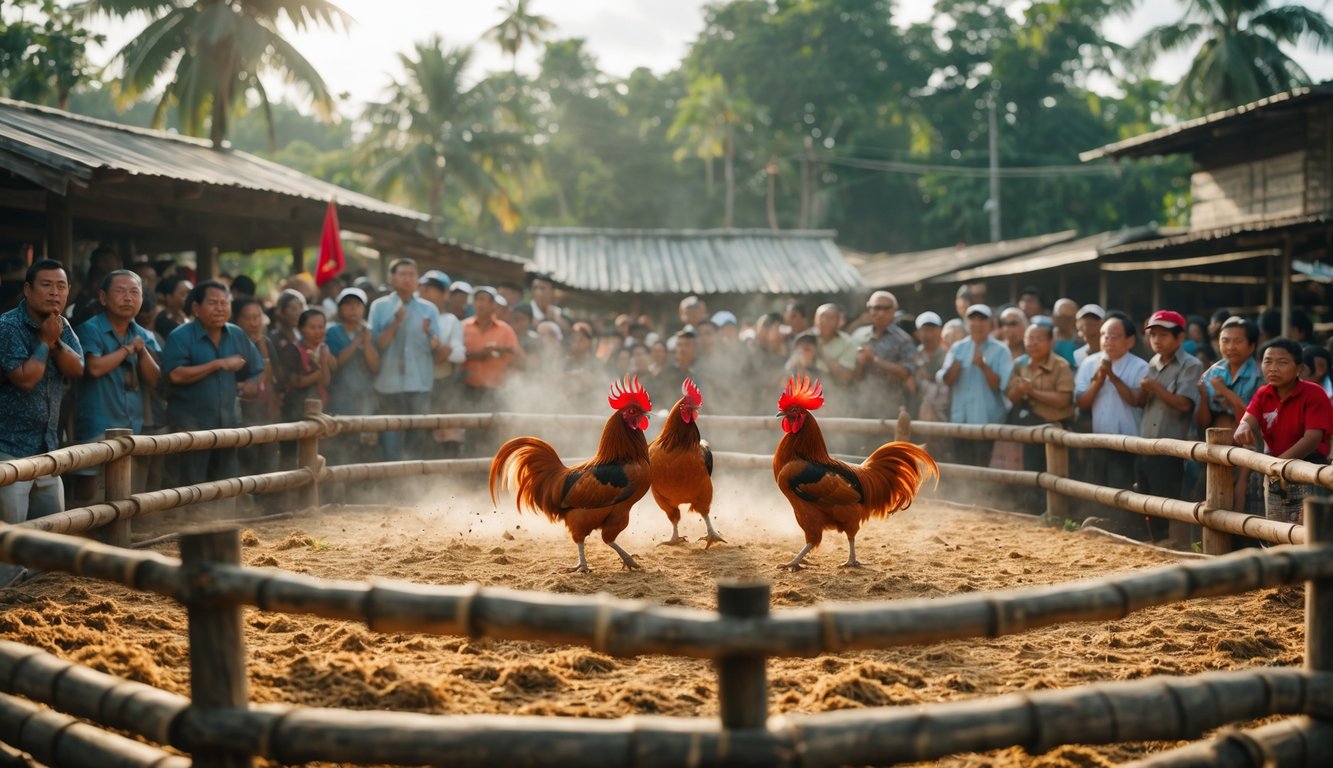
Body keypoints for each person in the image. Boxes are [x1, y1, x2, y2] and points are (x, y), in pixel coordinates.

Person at [0, 260, 85, 523]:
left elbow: (77, 369)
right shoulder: (7, 326)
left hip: (47, 447)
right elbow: (25, 380)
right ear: (28, 289)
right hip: (8, 449)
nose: (54, 292)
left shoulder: (61, 325)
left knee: (51, 537)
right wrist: (45, 342)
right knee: (10, 544)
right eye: (46, 285)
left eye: (61, 286)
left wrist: (55, 340)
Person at [160, 281, 263, 487]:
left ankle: (225, 519)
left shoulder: (236, 333)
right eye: (213, 303)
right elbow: (175, 375)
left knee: (227, 483)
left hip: (228, 424)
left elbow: (257, 367)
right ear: (196, 308)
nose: (220, 308)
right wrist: (218, 364)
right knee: (192, 486)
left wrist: (251, 383)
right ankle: (192, 518)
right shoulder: (180, 336)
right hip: (190, 427)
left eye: (225, 303)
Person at [71, 269, 161, 503]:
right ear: (103, 297)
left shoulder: (144, 335)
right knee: (87, 493)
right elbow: (94, 368)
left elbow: (155, 380)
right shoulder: (90, 328)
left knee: (125, 495)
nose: (128, 298)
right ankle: (85, 539)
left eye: (134, 292)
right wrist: (128, 349)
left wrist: (141, 351)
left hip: (133, 424)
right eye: (120, 291)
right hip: (97, 423)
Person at [1235, 338, 1333, 526]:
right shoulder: (1264, 393)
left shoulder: (1314, 393)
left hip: (1308, 468)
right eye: (1268, 361)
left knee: (1309, 531)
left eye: (1282, 362)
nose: (1273, 368)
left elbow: (1313, 438)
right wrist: (1244, 427)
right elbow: (1248, 418)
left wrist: (1277, 465)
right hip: (1275, 469)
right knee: (1275, 527)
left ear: (1299, 368)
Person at [1074, 311, 1149, 532]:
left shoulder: (1140, 367)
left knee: (1123, 491)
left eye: (1115, 336)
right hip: (1098, 441)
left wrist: (1112, 377)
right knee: (1097, 488)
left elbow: (1137, 401)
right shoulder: (1089, 364)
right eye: (1105, 335)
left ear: (1130, 340)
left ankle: (1123, 531)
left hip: (1128, 443)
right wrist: (1098, 381)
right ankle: (1098, 527)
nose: (1108, 340)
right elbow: (1083, 404)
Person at [1136, 310, 1202, 542]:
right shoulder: (1152, 362)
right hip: (1147, 442)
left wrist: (1155, 388)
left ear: (1180, 337)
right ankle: (1155, 541)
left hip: (1171, 445)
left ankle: (1170, 542)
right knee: (1146, 497)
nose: (1156, 340)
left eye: (1163, 335)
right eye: (1153, 334)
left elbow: (1184, 405)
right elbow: (1141, 402)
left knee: (1167, 499)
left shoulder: (1191, 365)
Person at [370, 258, 444, 462]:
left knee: (417, 437)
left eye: (412, 274)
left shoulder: (429, 309)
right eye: (403, 274)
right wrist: (397, 321)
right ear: (391, 278)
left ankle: (413, 486)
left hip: (419, 382)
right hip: (388, 384)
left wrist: (431, 336)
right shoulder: (380, 307)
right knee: (391, 437)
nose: (408, 279)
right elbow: (378, 345)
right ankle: (392, 483)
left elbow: (436, 347)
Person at [1004, 319, 1075, 504]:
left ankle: (1058, 513)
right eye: (1029, 338)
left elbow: (1063, 400)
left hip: (1057, 431)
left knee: (1059, 476)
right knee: (1031, 473)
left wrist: (1032, 392)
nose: (1033, 343)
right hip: (1030, 432)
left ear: (1051, 342)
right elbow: (1011, 398)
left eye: (1038, 338)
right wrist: (1020, 391)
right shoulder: (1020, 365)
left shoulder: (1061, 366)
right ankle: (1033, 509)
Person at [1196, 316, 1263, 511]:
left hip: (1250, 452)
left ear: (1252, 345)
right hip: (1215, 450)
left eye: (1238, 341)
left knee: (1244, 505)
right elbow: (1202, 424)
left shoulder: (1260, 374)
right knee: (1203, 499)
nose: (1230, 346)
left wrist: (1225, 392)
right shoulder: (1211, 372)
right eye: (1225, 341)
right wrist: (1203, 397)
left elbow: (1250, 421)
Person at [939, 304, 1012, 467]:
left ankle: (986, 494)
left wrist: (983, 366)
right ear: (967, 322)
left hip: (988, 422)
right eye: (973, 319)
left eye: (982, 319)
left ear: (990, 323)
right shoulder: (958, 348)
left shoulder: (1001, 350)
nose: (977, 323)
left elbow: (1001, 386)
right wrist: (957, 365)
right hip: (960, 421)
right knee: (962, 466)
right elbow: (946, 380)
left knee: (985, 468)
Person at [462, 286, 521, 452]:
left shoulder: (505, 330)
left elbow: (516, 358)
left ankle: (491, 469)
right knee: (469, 431)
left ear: (494, 305)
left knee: (493, 433)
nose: (481, 304)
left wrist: (502, 351)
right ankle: (469, 469)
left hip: (496, 389)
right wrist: (479, 354)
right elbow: (457, 356)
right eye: (478, 299)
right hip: (469, 387)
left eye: (486, 300)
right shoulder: (463, 327)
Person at [852, 291, 917, 422]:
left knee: (889, 443)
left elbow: (906, 372)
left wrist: (874, 359)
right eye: (876, 308)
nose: (881, 312)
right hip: (862, 404)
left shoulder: (903, 340)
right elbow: (853, 376)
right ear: (869, 309)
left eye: (886, 308)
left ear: (893, 311)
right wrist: (861, 362)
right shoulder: (858, 336)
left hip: (892, 406)